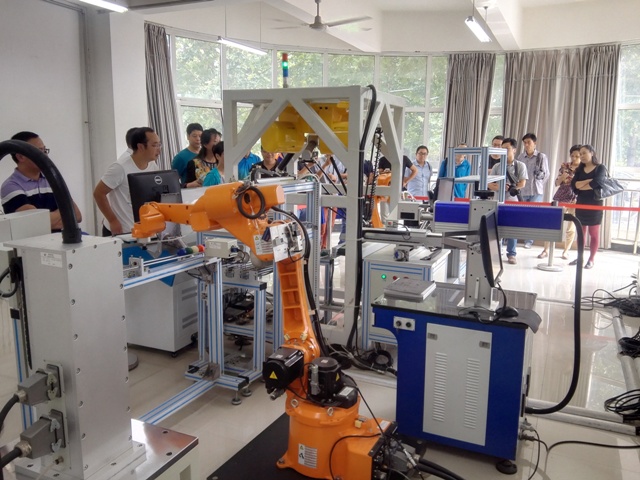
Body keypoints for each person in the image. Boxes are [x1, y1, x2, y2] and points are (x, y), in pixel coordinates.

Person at [1, 131, 82, 232]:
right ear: (21, 157)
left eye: (45, 150)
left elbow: (77, 216)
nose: (45, 156)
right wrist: (63, 215)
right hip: (32, 242)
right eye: (39, 151)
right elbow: (35, 223)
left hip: (61, 239)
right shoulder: (10, 186)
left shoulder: (51, 180)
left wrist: (48, 219)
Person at [93, 127, 160, 236]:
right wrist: (112, 220)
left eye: (159, 144)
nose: (159, 149)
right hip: (120, 231)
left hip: (142, 229)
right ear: (141, 147)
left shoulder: (153, 166)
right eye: (154, 145)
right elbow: (98, 193)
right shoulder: (120, 167)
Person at [537, 145, 582, 260]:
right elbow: (557, 183)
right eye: (572, 156)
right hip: (561, 196)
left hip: (576, 198)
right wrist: (562, 178)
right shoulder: (565, 166)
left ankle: (566, 251)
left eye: (577, 156)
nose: (574, 158)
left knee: (571, 227)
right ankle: (546, 250)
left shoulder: (583, 168)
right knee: (552, 223)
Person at [488, 138, 528, 265]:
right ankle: (495, 252)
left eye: (507, 148)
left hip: (512, 201)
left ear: (514, 150)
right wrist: (500, 187)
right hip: (497, 201)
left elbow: (522, 183)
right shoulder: (497, 166)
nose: (504, 151)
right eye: (502, 148)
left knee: (512, 227)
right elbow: (489, 184)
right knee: (496, 226)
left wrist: (512, 187)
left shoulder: (520, 165)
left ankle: (511, 253)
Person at [570, 144, 606, 269]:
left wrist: (581, 185)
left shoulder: (600, 168)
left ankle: (591, 259)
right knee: (581, 232)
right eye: (580, 154)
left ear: (592, 153)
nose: (582, 156)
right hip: (581, 203)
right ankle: (580, 257)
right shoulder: (579, 170)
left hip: (595, 204)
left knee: (593, 233)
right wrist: (588, 182)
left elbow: (597, 183)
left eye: (584, 153)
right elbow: (574, 186)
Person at [517, 133, 550, 248]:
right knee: (522, 215)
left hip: (536, 191)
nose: (526, 145)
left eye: (529, 142)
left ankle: (529, 241)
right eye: (525, 143)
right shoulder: (520, 157)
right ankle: (518, 237)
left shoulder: (541, 157)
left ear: (534, 143)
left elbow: (546, 174)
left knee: (532, 216)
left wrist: (539, 184)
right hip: (522, 190)